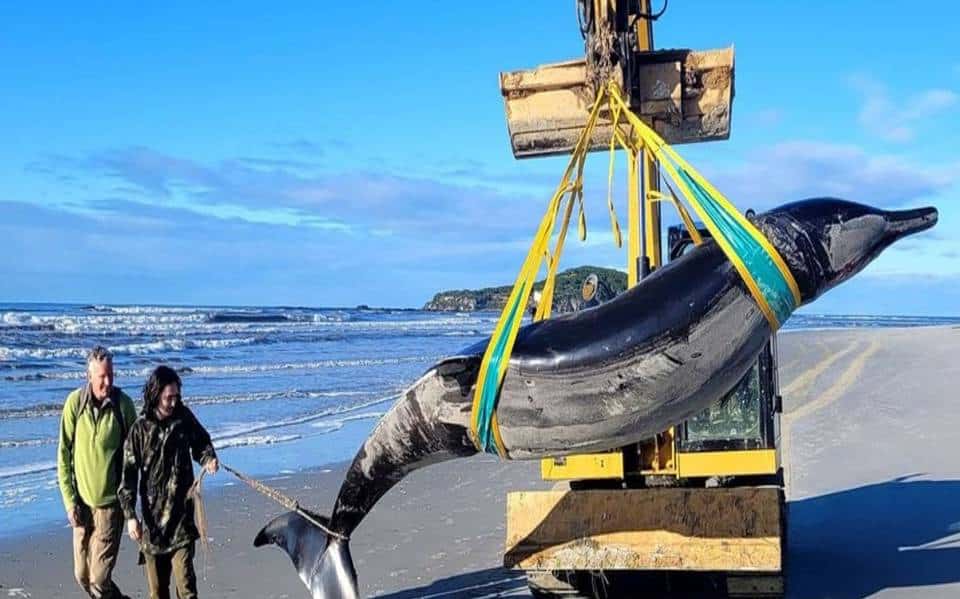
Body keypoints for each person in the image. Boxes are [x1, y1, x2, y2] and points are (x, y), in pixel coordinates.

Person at [119, 365, 218, 599]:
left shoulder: (184, 418)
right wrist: (130, 517)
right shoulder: (140, 429)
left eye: (177, 396)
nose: (173, 402)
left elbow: (201, 442)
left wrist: (208, 459)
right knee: (158, 593)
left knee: (187, 590)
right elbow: (128, 475)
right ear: (155, 395)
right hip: (153, 528)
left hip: (182, 521)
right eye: (168, 398)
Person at [57, 345, 137, 599]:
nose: (108, 381)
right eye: (102, 376)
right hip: (81, 505)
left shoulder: (123, 406)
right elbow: (63, 455)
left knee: (99, 579)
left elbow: (135, 458)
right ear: (89, 376)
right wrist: (69, 502)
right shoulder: (74, 404)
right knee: (82, 576)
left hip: (110, 507)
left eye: (111, 375)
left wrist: (132, 509)